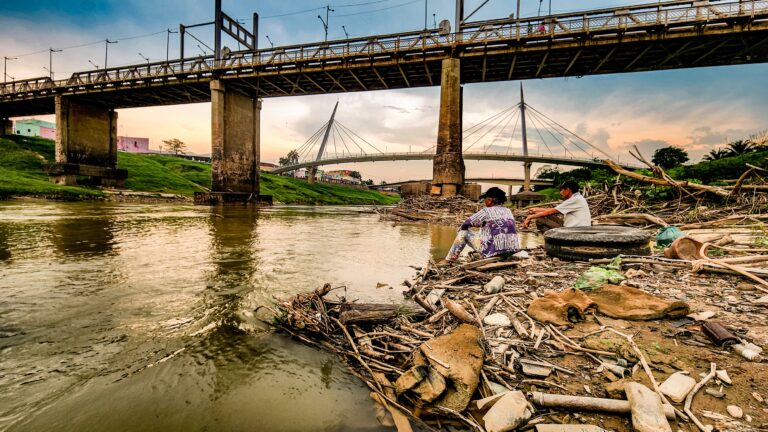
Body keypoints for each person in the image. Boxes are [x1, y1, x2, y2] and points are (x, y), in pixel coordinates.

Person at [439, 187, 520, 265]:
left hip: (494, 253)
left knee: (463, 233)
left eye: (485, 199)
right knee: (485, 230)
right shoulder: (508, 211)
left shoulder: (486, 211)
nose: (484, 201)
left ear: (490, 200)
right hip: (510, 251)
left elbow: (466, 223)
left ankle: (448, 260)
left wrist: (462, 229)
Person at [522, 180, 591, 233]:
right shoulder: (577, 198)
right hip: (573, 228)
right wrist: (536, 210)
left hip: (574, 231)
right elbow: (554, 210)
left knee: (540, 221)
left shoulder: (575, 199)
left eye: (562, 190)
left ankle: (553, 241)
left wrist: (530, 217)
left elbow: (552, 211)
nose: (560, 192)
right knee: (548, 216)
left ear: (568, 190)